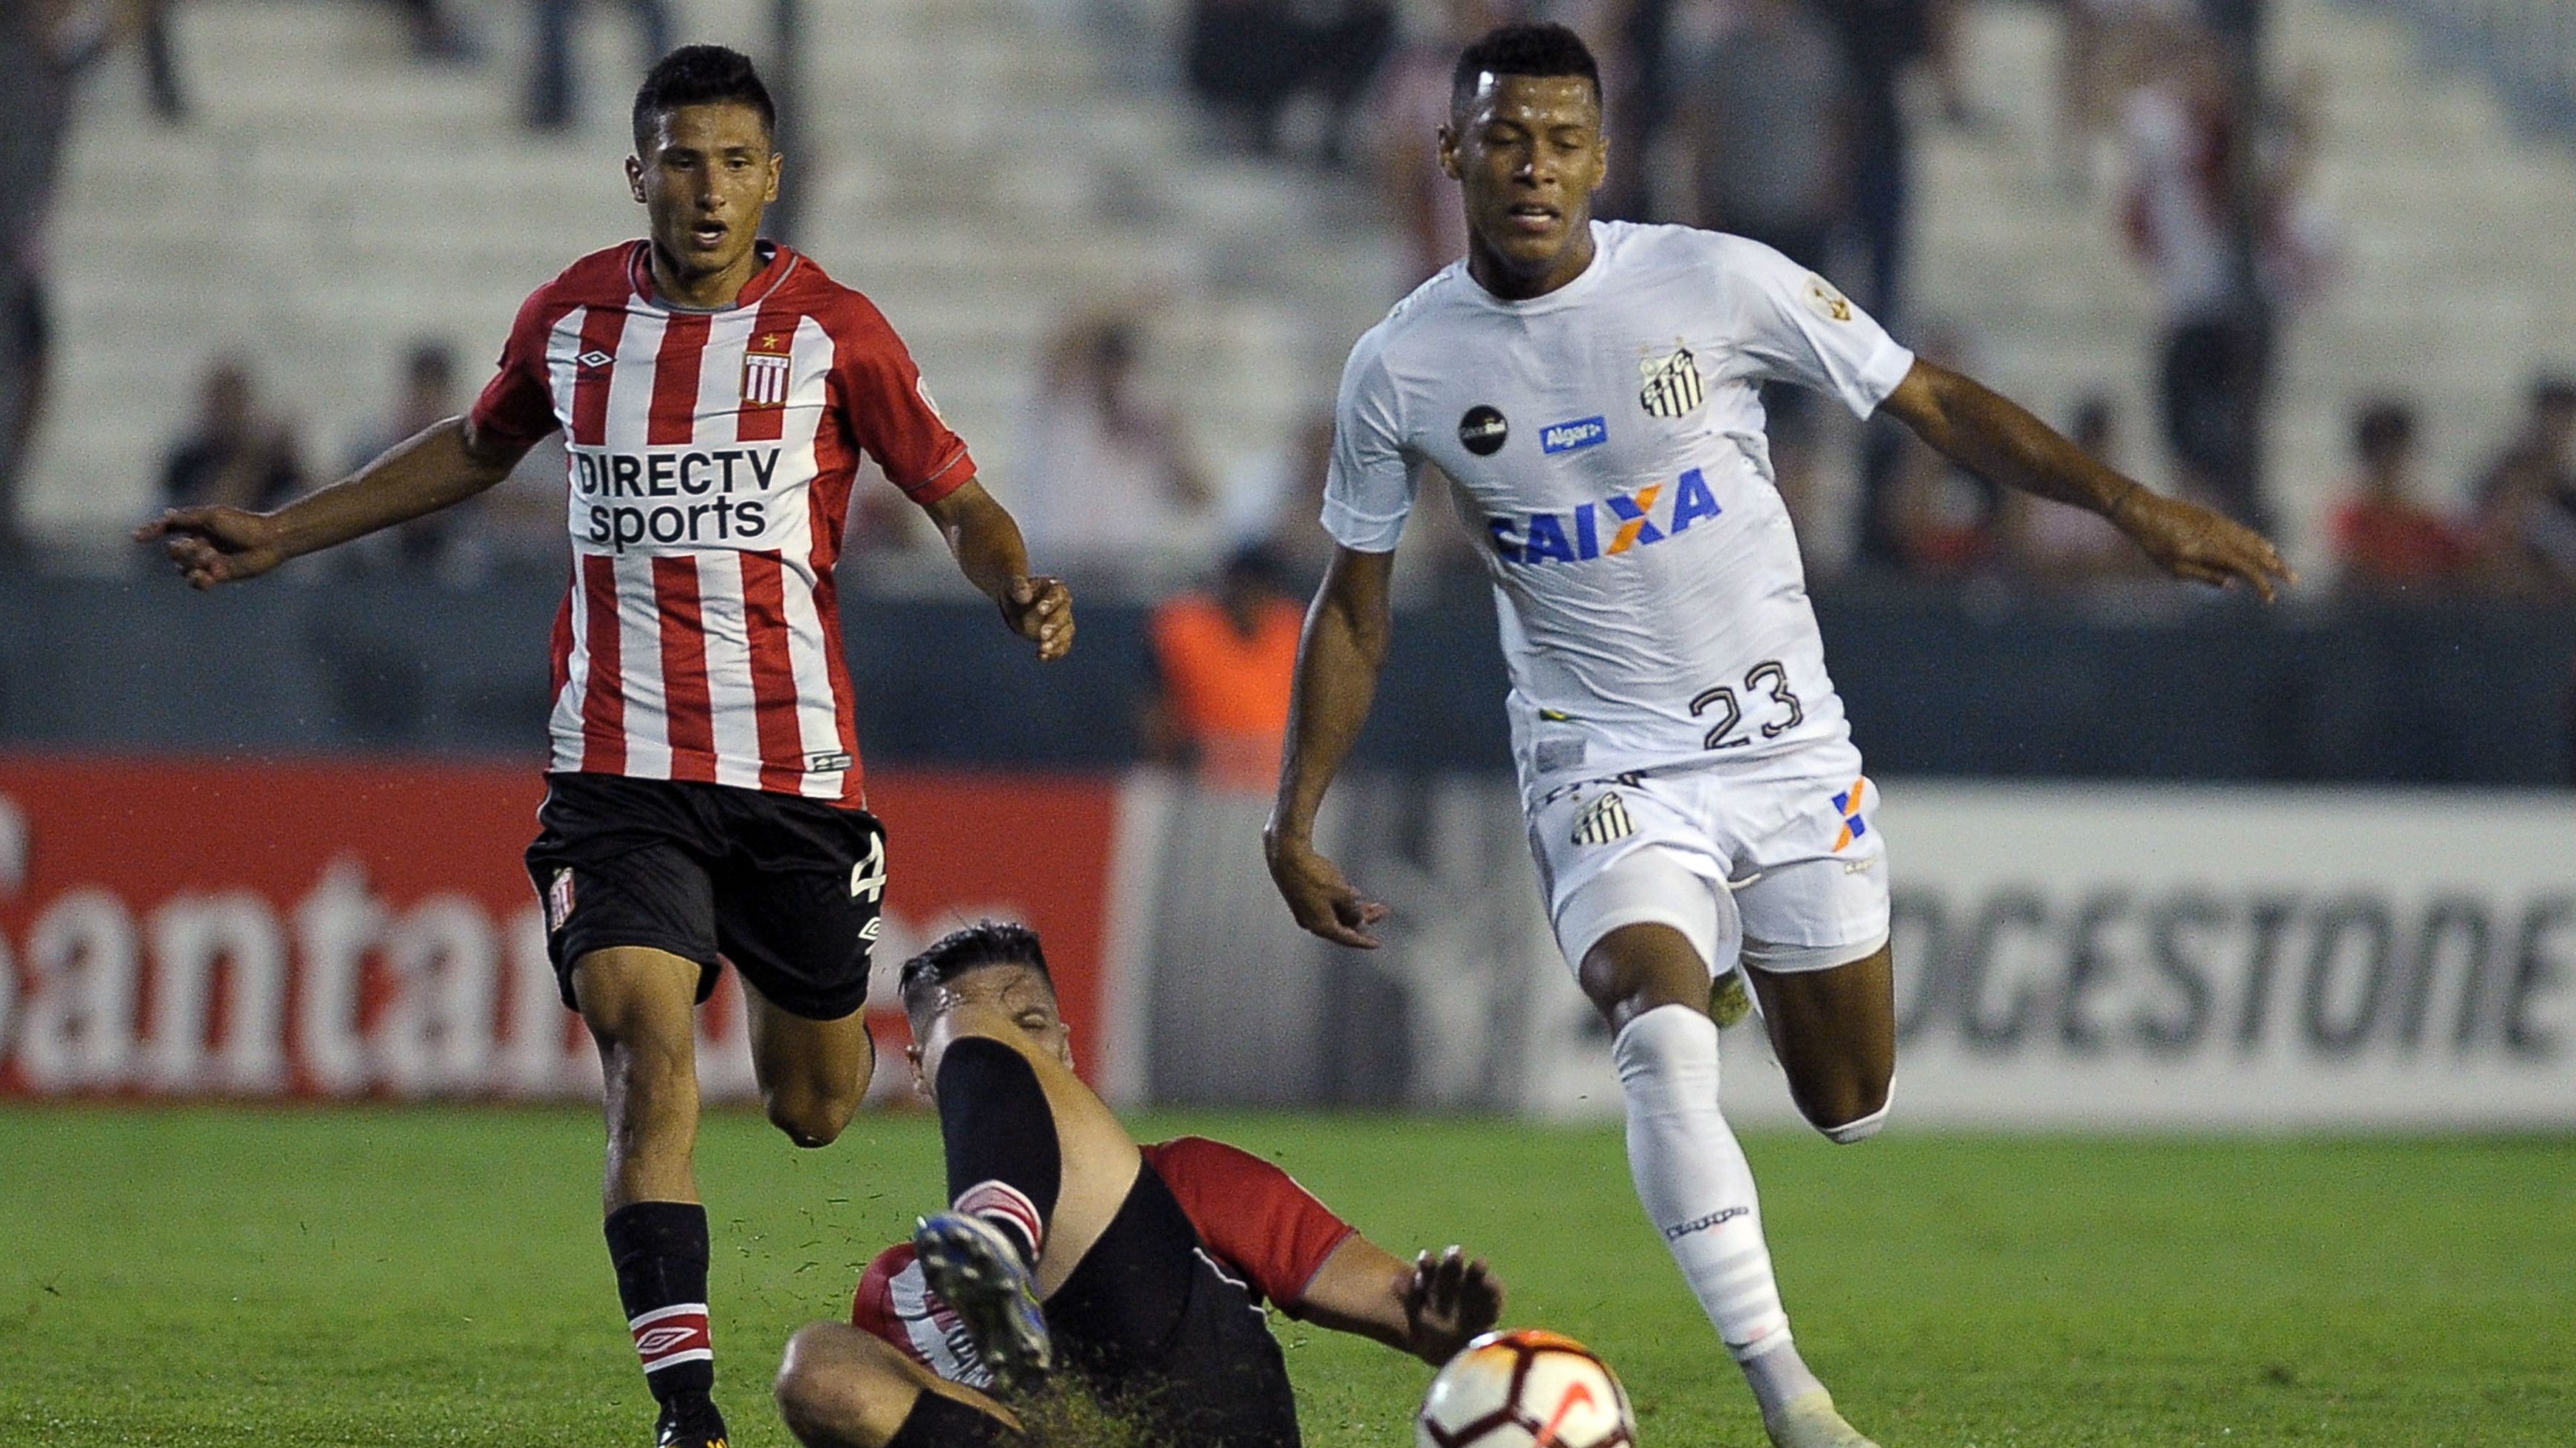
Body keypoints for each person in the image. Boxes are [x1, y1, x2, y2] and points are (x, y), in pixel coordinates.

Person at [1261, 24, 2289, 1448]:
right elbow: (1355, 605)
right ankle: (1792, 1397)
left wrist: (2128, 506)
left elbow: (1924, 397)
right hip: (1600, 763)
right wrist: (1293, 814)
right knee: (1655, 1037)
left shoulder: (1712, 280)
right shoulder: (1405, 367)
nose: (1533, 168)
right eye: (1503, 138)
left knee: (1849, 1102)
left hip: (1785, 751)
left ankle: (1740, 969)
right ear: (1453, 152)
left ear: (1602, 156)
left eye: (1562, 140)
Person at [137, 47, 1074, 1448]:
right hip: (616, 775)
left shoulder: (836, 333)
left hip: (795, 781)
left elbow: (956, 494)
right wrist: (284, 529)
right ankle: (686, 1408)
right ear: (636, 173)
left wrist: (1014, 579)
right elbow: (472, 445)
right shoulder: (571, 318)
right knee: (646, 1044)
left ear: (774, 177)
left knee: (820, 1103)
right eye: (680, 161)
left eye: (735, 163)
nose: (708, 190)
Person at [773, 920, 1505, 1447]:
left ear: (1063, 1041)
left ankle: (999, 1233)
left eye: (1029, 1026)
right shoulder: (900, 1287)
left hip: (1206, 1425)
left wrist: (1443, 1327)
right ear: (925, 1075)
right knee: (816, 1367)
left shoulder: (1193, 1178)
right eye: (979, 1045)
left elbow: (1409, 1313)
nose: (1013, 1054)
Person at [1142, 545, 1307, 789]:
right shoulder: (1184, 630)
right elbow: (1155, 713)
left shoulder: (1294, 629)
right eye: (1243, 588)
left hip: (1280, 781)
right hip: (1200, 780)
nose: (1249, 601)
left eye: (1259, 591)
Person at [2326, 400, 2470, 597]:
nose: (2390, 463)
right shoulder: (2353, 520)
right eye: (2381, 454)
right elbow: (2356, 574)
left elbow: (2455, 570)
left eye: (2395, 453)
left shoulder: (2425, 523)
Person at [157, 354, 307, 516]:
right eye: (223, 400)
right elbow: (216, 510)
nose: (229, 409)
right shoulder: (190, 458)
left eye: (236, 399)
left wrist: (293, 453)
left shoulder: (276, 458)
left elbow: (309, 499)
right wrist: (254, 457)